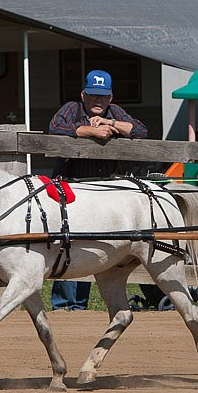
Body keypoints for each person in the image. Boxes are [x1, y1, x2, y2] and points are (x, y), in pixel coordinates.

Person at [48, 69, 148, 311]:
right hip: (71, 190)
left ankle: (79, 303)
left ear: (110, 97)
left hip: (103, 193)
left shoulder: (114, 112)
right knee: (69, 242)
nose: (98, 101)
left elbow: (141, 131)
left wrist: (110, 123)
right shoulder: (72, 108)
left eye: (102, 96)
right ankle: (66, 305)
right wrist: (90, 131)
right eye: (93, 95)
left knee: (95, 244)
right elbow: (55, 128)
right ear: (83, 94)